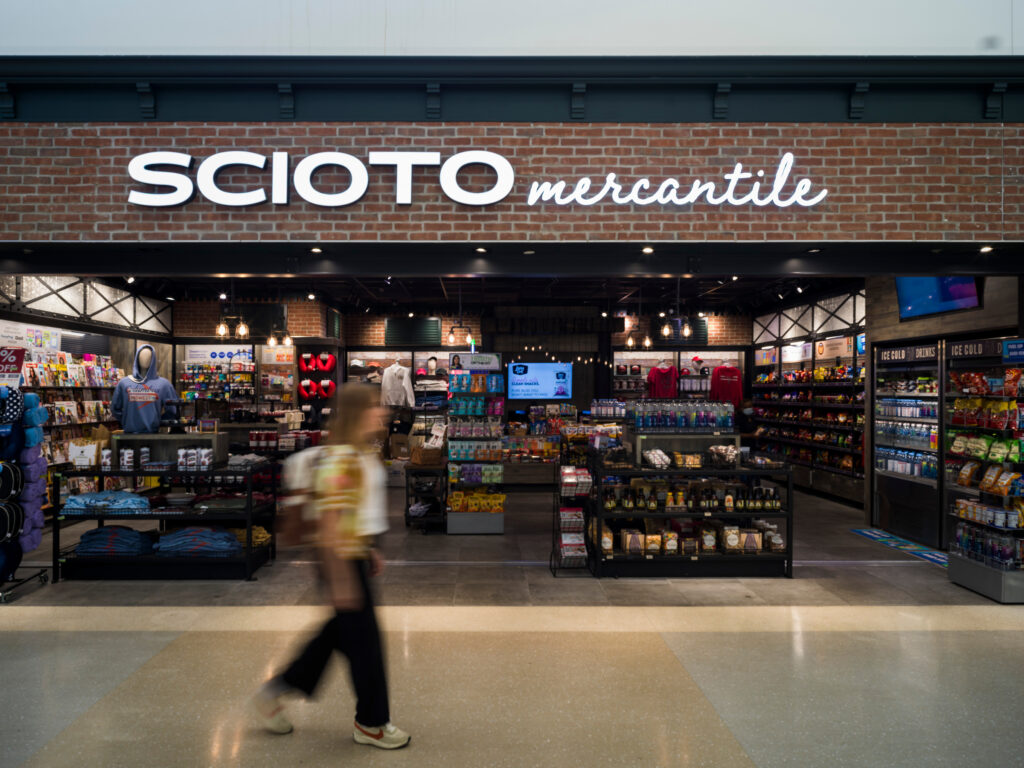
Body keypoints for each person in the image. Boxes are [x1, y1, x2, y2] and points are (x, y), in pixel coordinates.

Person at [251, 384, 410, 750]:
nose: (382, 413)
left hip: (350, 556)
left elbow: (349, 515)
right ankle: (371, 723)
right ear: (358, 414)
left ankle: (276, 692)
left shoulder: (353, 455)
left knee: (340, 634)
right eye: (375, 408)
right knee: (365, 644)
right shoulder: (343, 461)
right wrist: (342, 578)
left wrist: (367, 548)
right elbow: (328, 524)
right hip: (341, 562)